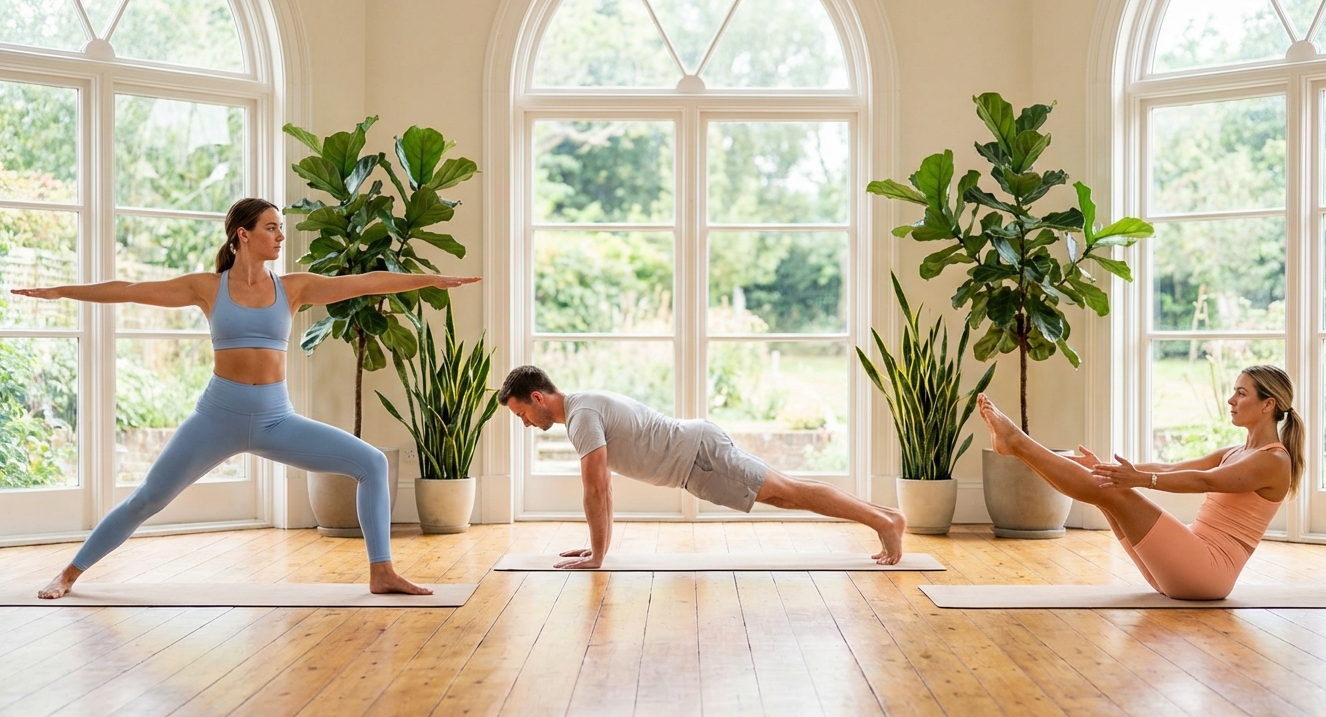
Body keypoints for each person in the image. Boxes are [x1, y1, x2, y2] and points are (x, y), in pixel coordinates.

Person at [12, 197, 481, 599]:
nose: (280, 236)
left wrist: (431, 281)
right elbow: (131, 291)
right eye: (272, 228)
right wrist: (61, 291)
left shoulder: (293, 288)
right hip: (218, 418)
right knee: (147, 499)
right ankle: (68, 573)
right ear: (243, 234)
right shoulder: (207, 288)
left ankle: (382, 572)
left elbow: (365, 283)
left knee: (372, 463)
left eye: (280, 229)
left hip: (277, 419)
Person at [497, 365, 907, 568]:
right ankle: (886, 517)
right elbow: (603, 487)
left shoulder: (582, 417)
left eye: (521, 414)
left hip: (699, 459)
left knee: (788, 492)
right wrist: (598, 548)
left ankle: (883, 523)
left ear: (537, 398)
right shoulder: (583, 409)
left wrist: (598, 557)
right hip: (696, 459)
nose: (525, 424)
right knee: (785, 493)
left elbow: (596, 490)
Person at [976, 364, 1305, 600]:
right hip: (1185, 566)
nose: (1231, 400)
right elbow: (1171, 465)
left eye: (1241, 393)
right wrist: (1107, 468)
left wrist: (1140, 480)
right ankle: (1016, 447)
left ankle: (1016, 442)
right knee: (1107, 490)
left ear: (1268, 404)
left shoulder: (1273, 460)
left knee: (1117, 494)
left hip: (1207, 573)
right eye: (1233, 391)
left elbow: (1203, 480)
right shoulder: (1237, 450)